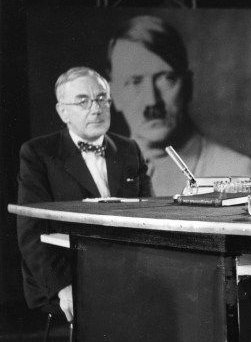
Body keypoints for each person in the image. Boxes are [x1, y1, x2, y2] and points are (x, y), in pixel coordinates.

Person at [17, 67, 152, 322]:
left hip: (125, 271)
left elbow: (151, 215)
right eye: (83, 101)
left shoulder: (128, 149)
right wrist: (62, 286)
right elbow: (31, 231)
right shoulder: (38, 153)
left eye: (102, 98)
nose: (96, 108)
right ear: (62, 111)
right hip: (68, 273)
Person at [107, 15, 251, 196]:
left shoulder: (237, 170)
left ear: (188, 85)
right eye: (134, 82)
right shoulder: (101, 169)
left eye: (166, 79)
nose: (152, 101)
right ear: (113, 94)